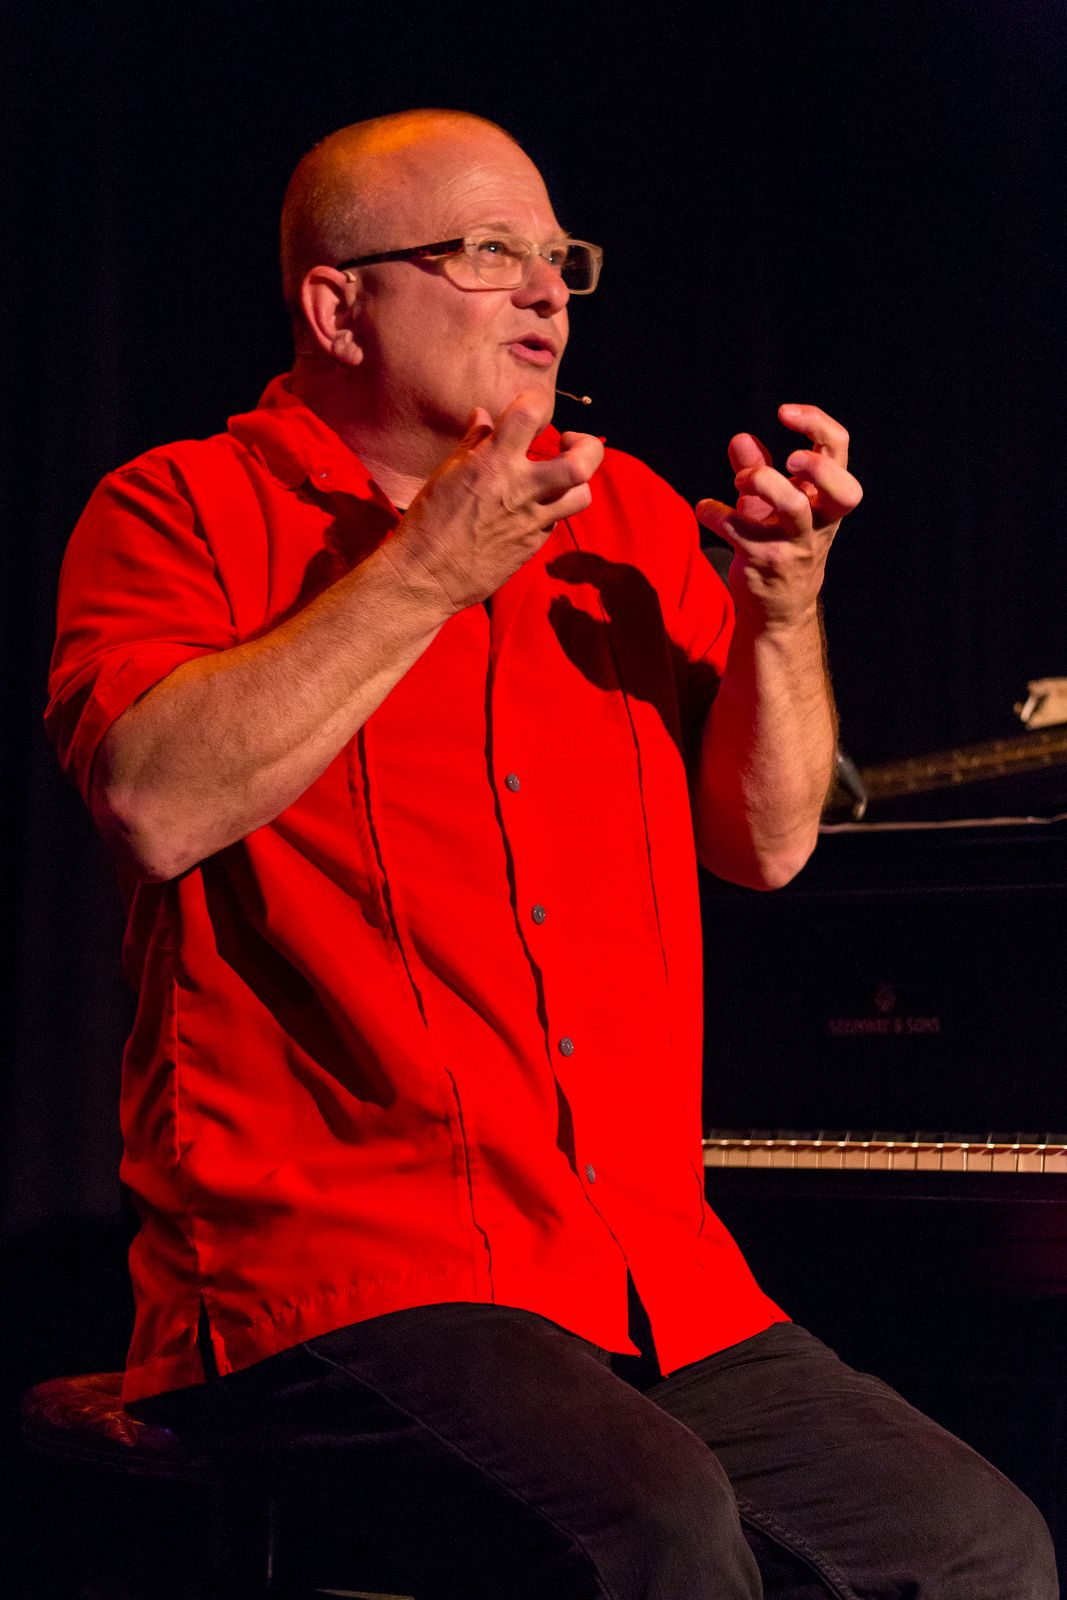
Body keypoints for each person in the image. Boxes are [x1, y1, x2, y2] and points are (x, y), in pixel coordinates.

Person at [46, 109, 1057, 1599]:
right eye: (485, 253)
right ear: (337, 307)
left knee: (976, 1547)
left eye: (558, 256)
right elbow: (154, 800)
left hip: (638, 1269)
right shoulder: (176, 507)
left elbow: (769, 845)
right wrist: (424, 572)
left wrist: (782, 612)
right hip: (338, 1271)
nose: (545, 292)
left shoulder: (625, 517)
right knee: (647, 1530)